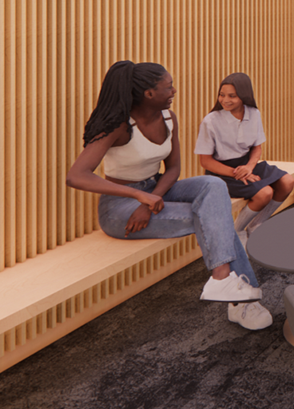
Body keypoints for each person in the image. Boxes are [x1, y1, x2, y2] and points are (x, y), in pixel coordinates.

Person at [65, 61, 271, 330]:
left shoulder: (168, 118)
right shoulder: (118, 125)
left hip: (157, 188)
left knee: (213, 186)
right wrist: (138, 198)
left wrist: (153, 197)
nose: (174, 90)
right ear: (149, 94)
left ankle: (222, 281)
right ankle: (241, 303)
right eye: (168, 86)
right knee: (214, 218)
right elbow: (76, 175)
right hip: (120, 208)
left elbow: (173, 168)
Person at [195, 72, 294, 247]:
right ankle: (237, 230)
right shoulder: (210, 121)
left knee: (287, 181)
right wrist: (238, 174)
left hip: (247, 164)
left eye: (232, 96)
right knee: (265, 193)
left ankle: (257, 224)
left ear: (244, 95)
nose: (225, 100)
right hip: (222, 172)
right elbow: (205, 161)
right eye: (222, 95)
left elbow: (257, 147)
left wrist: (249, 167)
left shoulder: (253, 113)